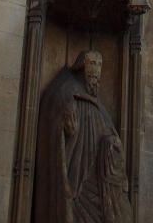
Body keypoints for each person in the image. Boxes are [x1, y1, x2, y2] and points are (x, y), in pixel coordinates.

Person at [36, 51, 132, 222]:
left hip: (96, 178)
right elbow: (61, 130)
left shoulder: (98, 105)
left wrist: (112, 144)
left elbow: (109, 132)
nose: (96, 70)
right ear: (81, 66)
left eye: (99, 65)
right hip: (75, 175)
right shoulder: (66, 92)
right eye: (92, 64)